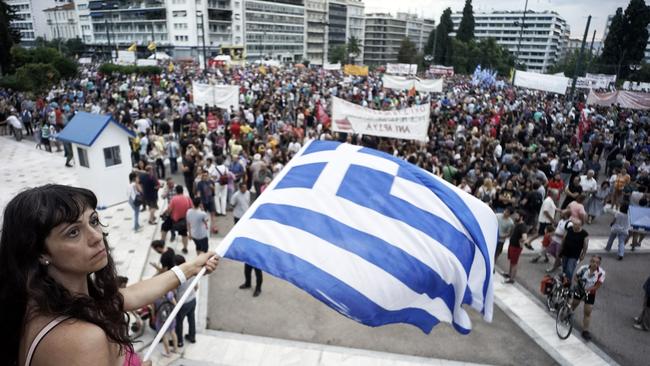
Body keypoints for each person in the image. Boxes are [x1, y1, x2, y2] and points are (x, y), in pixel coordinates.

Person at [0, 184, 219, 365]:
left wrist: (191, 268)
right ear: (40, 253)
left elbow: (128, 296)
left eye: (93, 221)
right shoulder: (83, 340)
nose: (96, 236)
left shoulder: (50, 302)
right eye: (73, 232)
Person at [231, 183, 262, 296]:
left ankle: (258, 288)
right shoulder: (245, 227)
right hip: (248, 252)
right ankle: (248, 283)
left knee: (258, 271)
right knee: (247, 269)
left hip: (256, 254)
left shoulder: (257, 227)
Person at [571, 255, 605, 341]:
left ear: (599, 264)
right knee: (574, 305)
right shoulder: (583, 268)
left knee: (587, 312)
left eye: (597, 262)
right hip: (580, 290)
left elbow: (597, 286)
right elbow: (575, 277)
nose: (594, 264)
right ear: (590, 261)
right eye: (593, 261)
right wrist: (579, 282)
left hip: (590, 293)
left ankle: (585, 331)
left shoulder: (601, 273)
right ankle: (566, 315)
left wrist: (587, 290)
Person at [173, 255, 197, 346]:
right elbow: (196, 286)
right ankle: (192, 337)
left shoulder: (178, 276)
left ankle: (179, 341)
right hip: (192, 299)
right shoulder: (192, 271)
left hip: (182, 303)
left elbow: (174, 291)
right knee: (191, 318)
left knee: (179, 322)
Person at [162, 185, 193, 254]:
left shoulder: (174, 199)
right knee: (184, 234)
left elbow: (169, 210)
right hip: (184, 220)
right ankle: (185, 248)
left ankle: (162, 244)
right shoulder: (187, 198)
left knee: (164, 228)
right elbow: (191, 208)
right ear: (182, 190)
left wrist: (164, 213)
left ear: (176, 191)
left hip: (174, 219)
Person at [559, 219, 589, 285]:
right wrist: (560, 248)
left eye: (576, 225)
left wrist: (583, 254)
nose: (574, 226)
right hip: (565, 252)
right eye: (574, 224)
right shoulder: (569, 229)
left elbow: (585, 245)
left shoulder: (584, 234)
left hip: (574, 255)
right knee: (564, 267)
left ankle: (568, 283)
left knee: (569, 269)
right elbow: (564, 238)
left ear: (580, 225)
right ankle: (564, 279)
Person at [504, 211, 528, 284]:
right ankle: (509, 274)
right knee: (512, 261)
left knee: (514, 263)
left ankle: (512, 279)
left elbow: (524, 237)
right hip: (512, 245)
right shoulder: (518, 224)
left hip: (516, 247)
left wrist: (520, 241)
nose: (515, 217)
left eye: (517, 216)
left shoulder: (523, 226)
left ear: (521, 217)